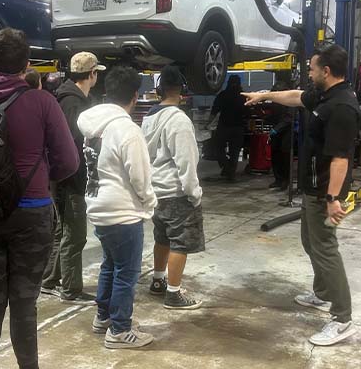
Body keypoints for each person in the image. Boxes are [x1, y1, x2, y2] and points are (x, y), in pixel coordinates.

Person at [0, 28, 78, 369]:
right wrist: (40, 175)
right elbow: (69, 162)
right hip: (31, 212)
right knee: (24, 300)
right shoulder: (40, 101)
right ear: (27, 64)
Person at [242, 44, 360, 346]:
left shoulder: (342, 107)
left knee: (325, 248)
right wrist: (265, 95)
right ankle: (322, 294)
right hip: (312, 188)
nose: (308, 72)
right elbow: (296, 97)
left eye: (311, 68)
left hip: (325, 192)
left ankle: (343, 318)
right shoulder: (323, 95)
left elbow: (341, 159)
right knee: (311, 242)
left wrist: (333, 198)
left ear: (326, 71)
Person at [78, 65, 157, 349]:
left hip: (99, 206)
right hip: (122, 212)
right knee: (127, 272)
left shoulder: (93, 126)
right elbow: (140, 176)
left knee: (110, 265)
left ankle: (104, 317)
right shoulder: (127, 129)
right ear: (135, 96)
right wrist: (149, 203)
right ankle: (120, 330)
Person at [41, 52, 104, 304]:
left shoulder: (71, 99)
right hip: (71, 179)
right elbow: (73, 145)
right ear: (92, 74)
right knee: (75, 236)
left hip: (66, 177)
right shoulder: (72, 103)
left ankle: (49, 280)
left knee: (63, 232)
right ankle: (71, 289)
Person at [141, 66, 204, 310]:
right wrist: (194, 193)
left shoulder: (149, 118)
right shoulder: (179, 120)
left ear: (158, 90)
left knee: (162, 238)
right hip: (177, 193)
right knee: (180, 243)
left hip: (156, 192)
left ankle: (158, 280)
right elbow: (186, 162)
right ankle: (174, 294)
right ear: (182, 90)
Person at [210, 75, 247, 181]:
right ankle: (231, 172)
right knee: (235, 152)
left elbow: (214, 110)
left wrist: (208, 124)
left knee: (218, 148)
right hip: (238, 128)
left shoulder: (223, 95)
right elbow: (248, 111)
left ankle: (226, 166)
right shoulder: (243, 96)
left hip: (224, 127)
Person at [266, 72, 294, 192]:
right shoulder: (275, 101)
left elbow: (289, 118)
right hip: (276, 131)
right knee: (275, 155)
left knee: (284, 157)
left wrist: (276, 129)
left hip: (286, 132)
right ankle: (278, 179)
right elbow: (273, 114)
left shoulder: (290, 101)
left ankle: (285, 181)